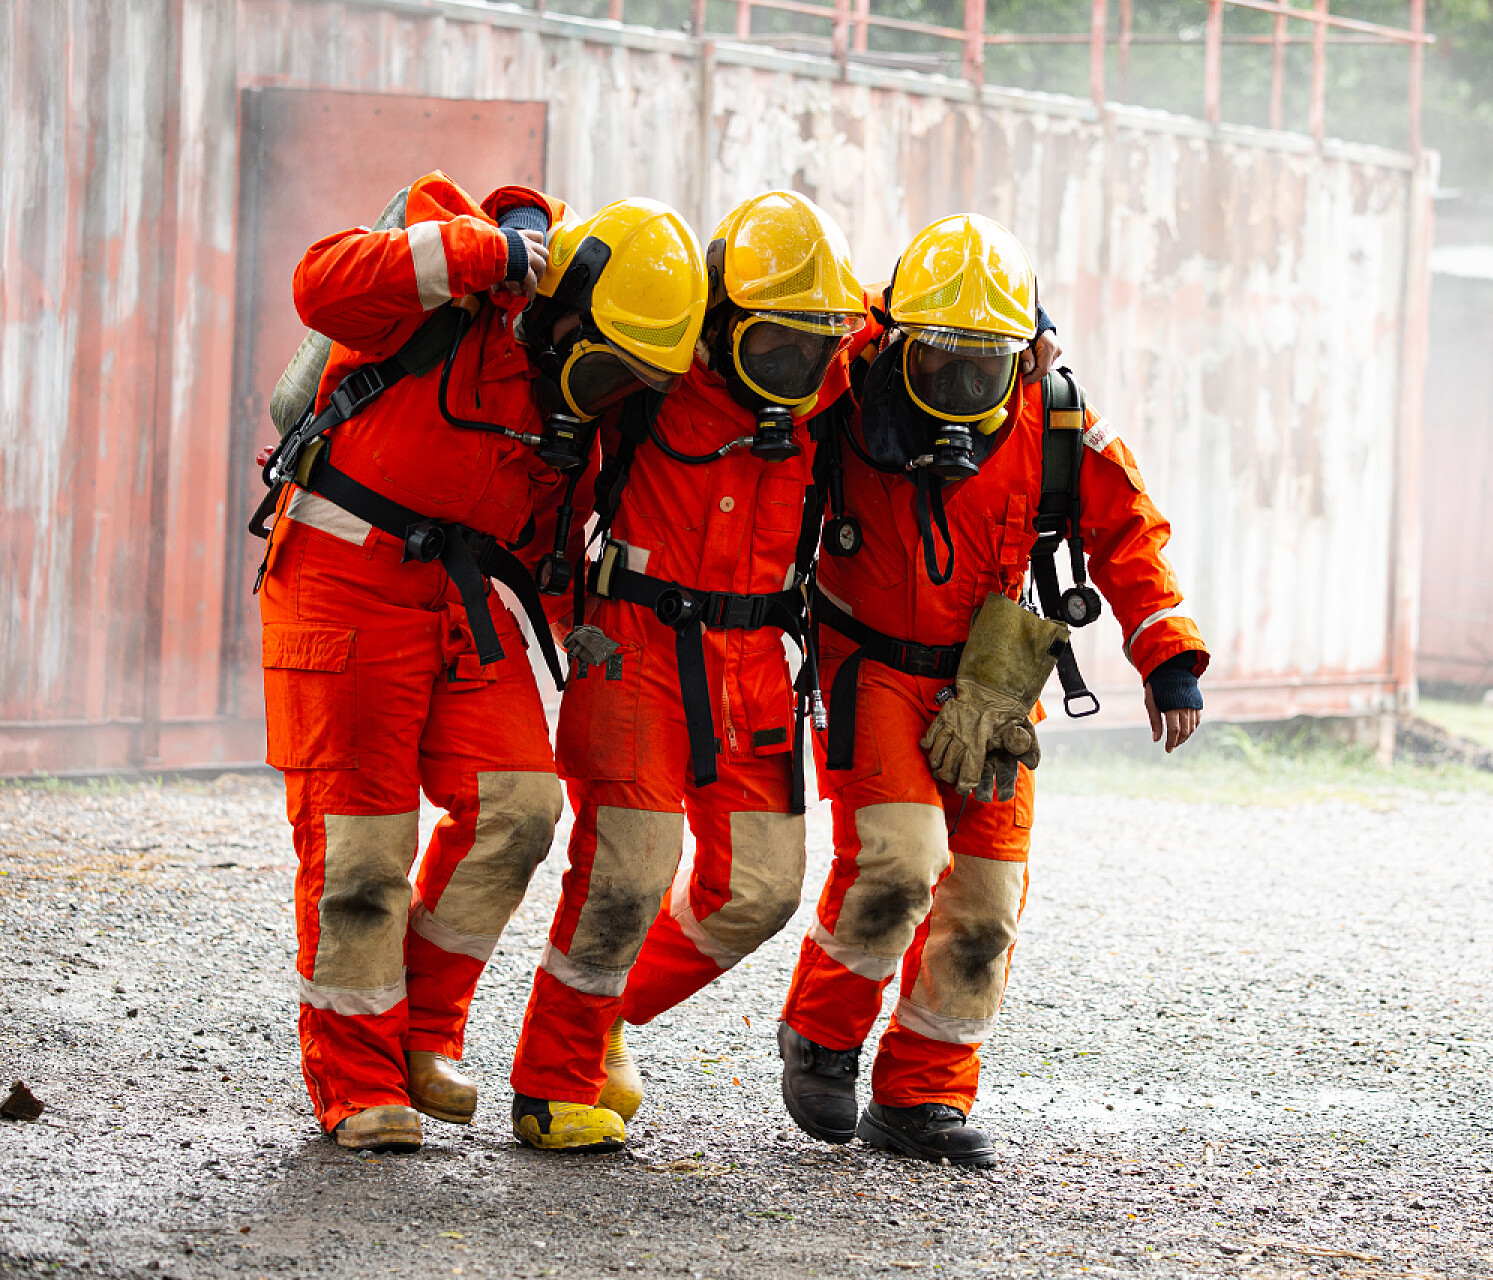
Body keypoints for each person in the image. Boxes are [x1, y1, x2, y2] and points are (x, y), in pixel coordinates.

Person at [259, 175, 707, 1151]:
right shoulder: (453, 290)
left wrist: (580, 628)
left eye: (630, 382)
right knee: (361, 850)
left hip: (460, 600)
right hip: (343, 580)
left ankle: (419, 1033)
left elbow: (547, 540)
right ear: (565, 311)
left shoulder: (568, 414)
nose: (607, 395)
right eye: (607, 368)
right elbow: (317, 285)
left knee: (520, 806)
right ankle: (356, 1080)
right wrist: (480, 253)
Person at [774, 213, 1207, 1168]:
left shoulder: (1056, 415)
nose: (963, 383)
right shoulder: (848, 384)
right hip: (869, 664)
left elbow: (1129, 530)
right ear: (901, 340)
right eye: (940, 358)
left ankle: (922, 1094)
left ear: (1025, 351)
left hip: (992, 676)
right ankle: (822, 1038)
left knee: (987, 899)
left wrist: (1167, 655)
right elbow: (813, 336)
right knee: (899, 860)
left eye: (986, 364)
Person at [506, 190, 873, 1152]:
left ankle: (603, 1015)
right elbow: (552, 490)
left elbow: (916, 328)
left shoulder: (831, 373)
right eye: (775, 346)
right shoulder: (651, 376)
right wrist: (564, 619)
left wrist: (1034, 334)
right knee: (626, 872)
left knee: (759, 889)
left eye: (814, 346)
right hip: (635, 644)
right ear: (720, 320)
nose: (796, 369)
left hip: (754, 661)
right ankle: (551, 1085)